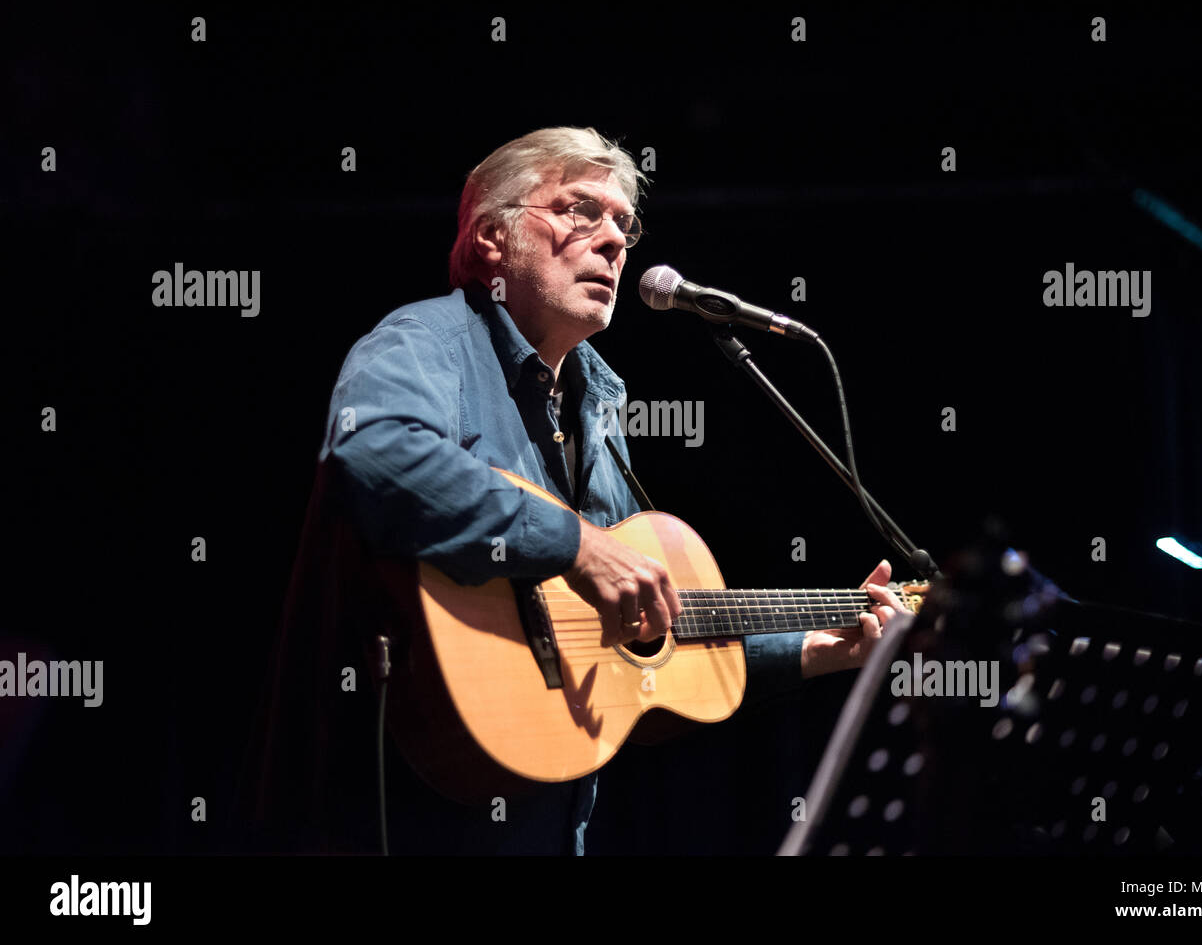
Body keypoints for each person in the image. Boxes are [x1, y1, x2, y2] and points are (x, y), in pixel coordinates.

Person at [237, 126, 908, 855]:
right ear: (493, 236)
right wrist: (575, 544)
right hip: (393, 820)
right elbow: (375, 453)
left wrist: (816, 647)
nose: (615, 241)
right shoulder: (425, 341)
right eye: (581, 210)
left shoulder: (595, 404)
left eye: (625, 222)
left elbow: (638, 643)